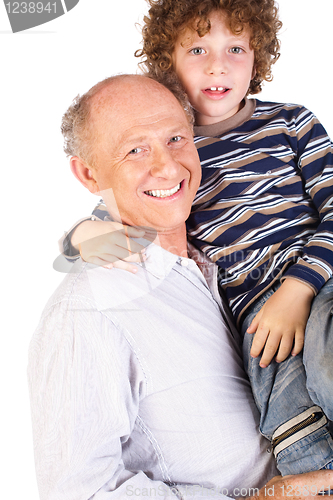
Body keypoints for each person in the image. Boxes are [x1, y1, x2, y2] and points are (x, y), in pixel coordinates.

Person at [59, 0, 333, 477]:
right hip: (255, 320)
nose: (217, 65)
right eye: (198, 49)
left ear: (259, 56)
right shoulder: (173, 153)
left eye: (236, 48)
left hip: (319, 282)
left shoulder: (292, 123)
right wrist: (80, 235)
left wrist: (299, 289)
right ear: (168, 62)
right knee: (292, 430)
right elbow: (106, 220)